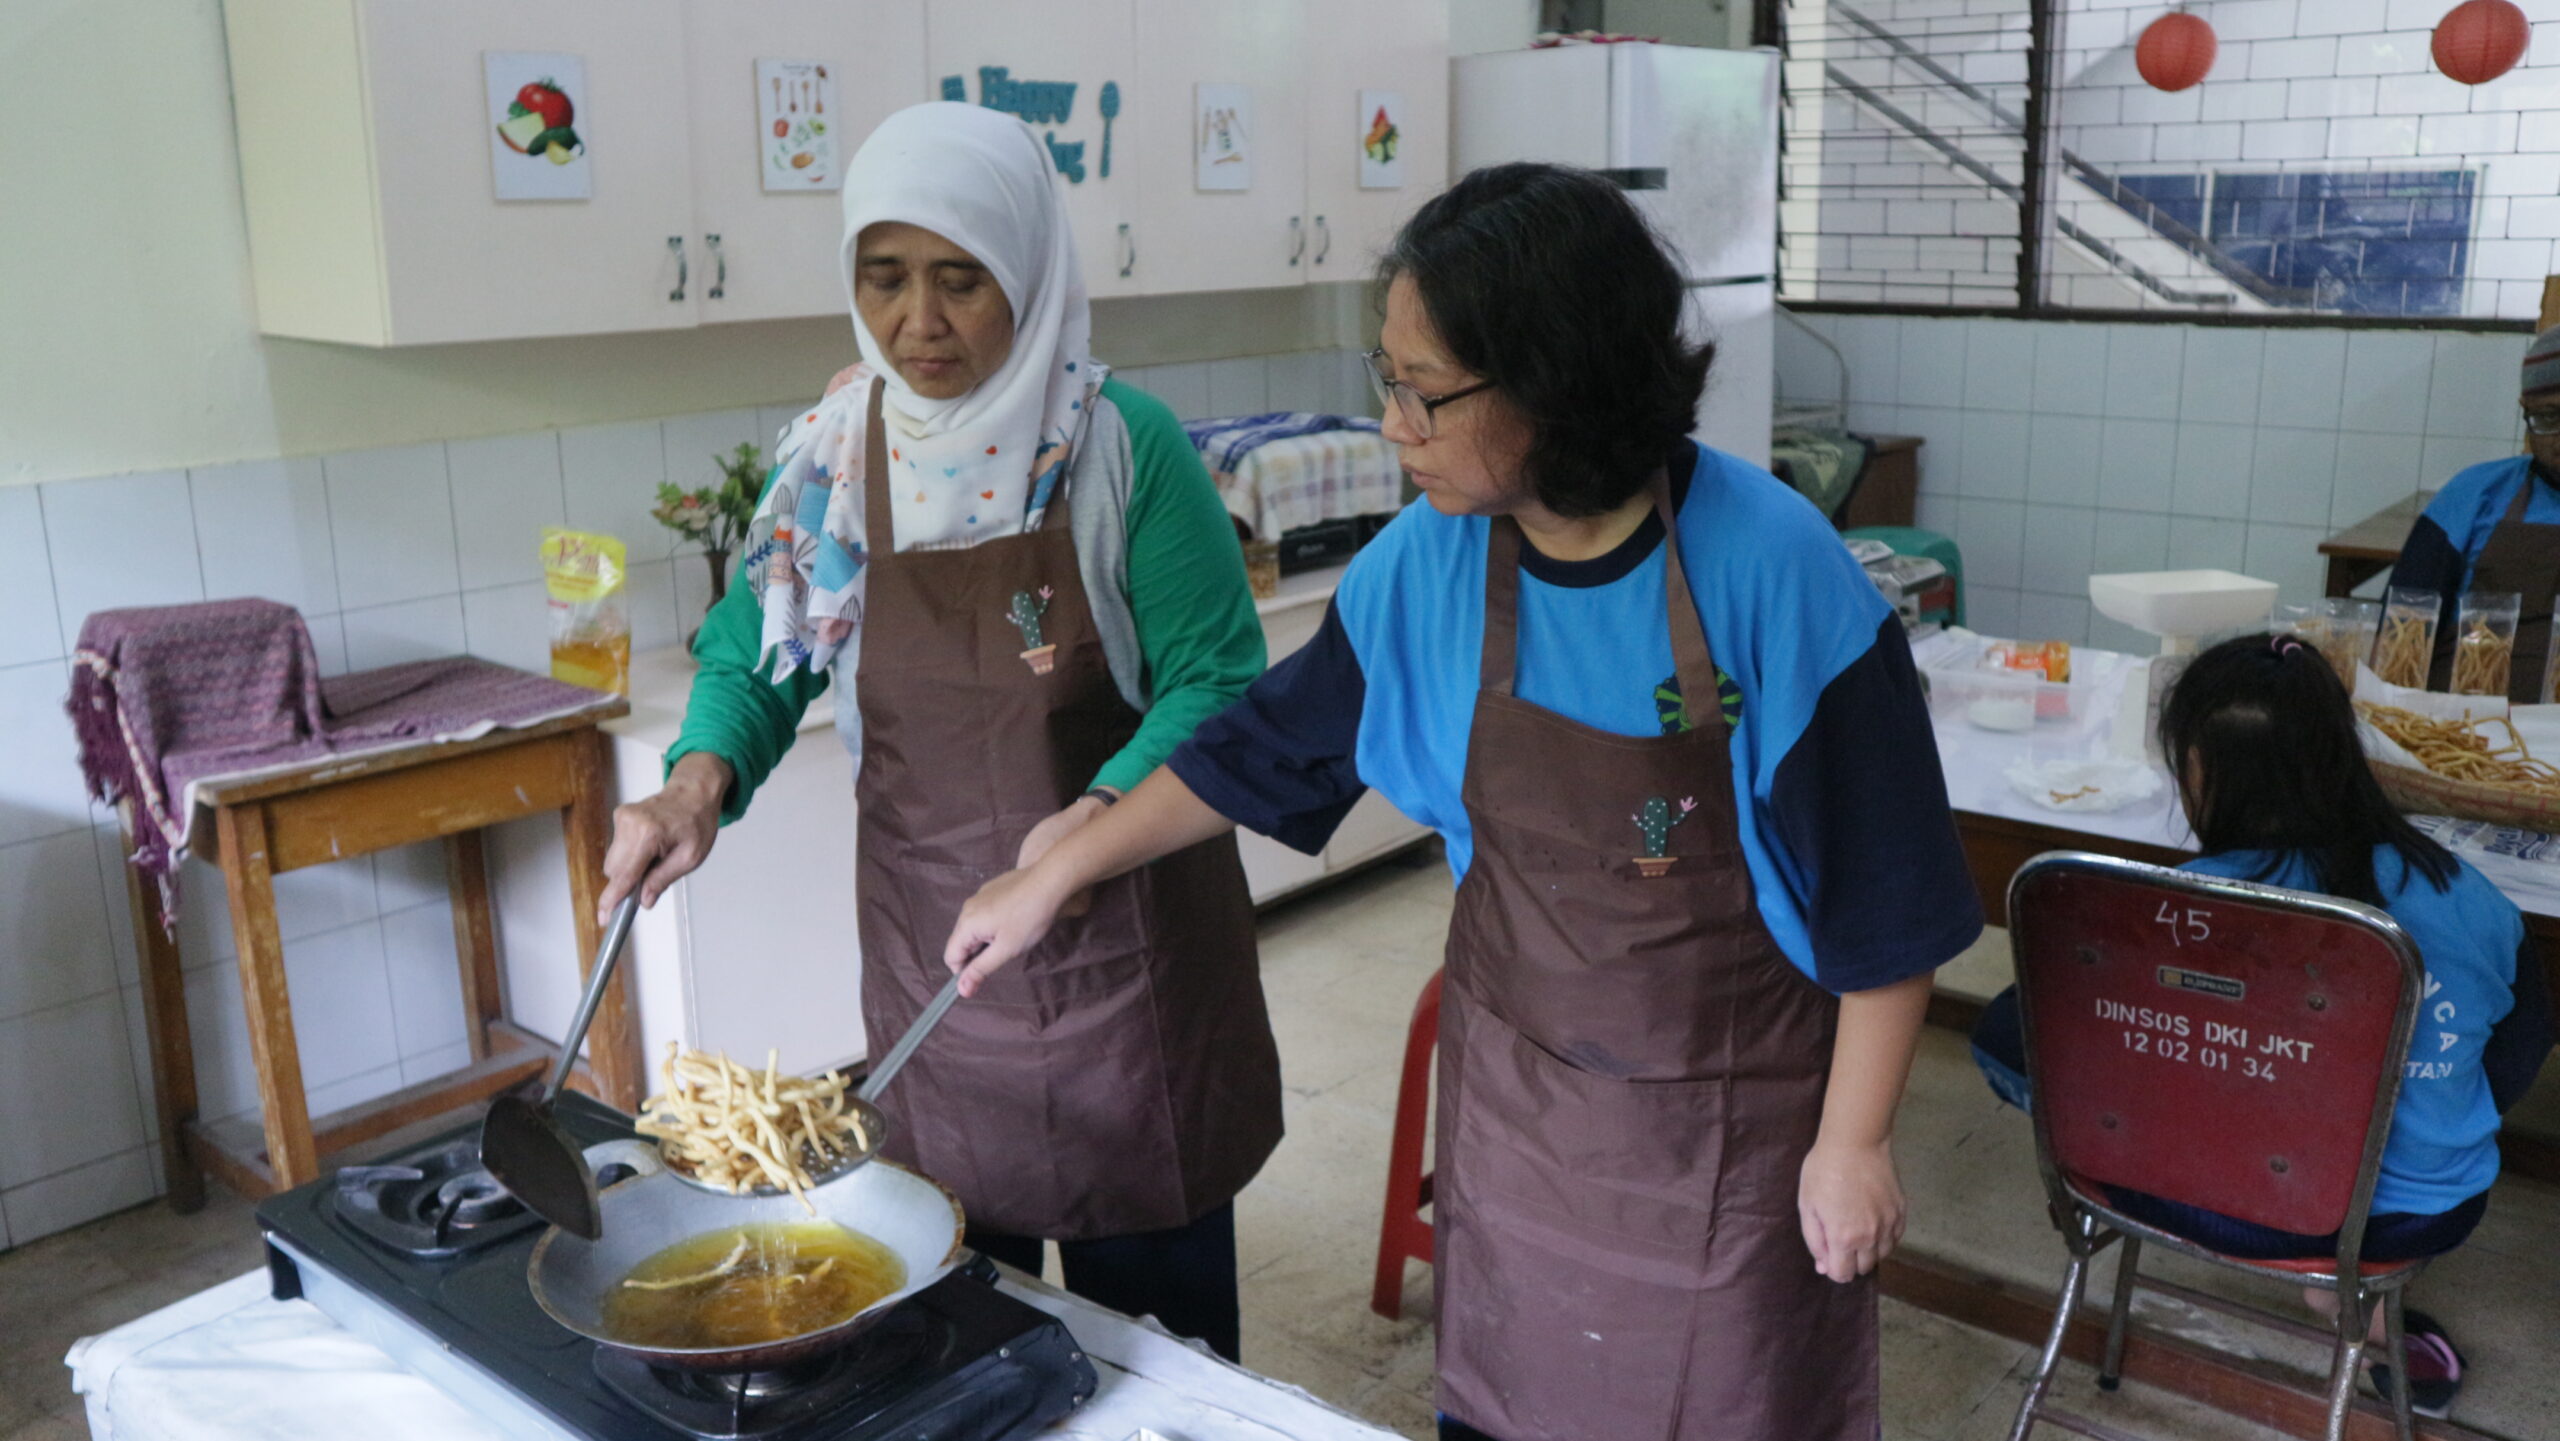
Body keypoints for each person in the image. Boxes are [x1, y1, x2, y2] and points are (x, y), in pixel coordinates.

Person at [944, 163, 1985, 1441]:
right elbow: (1258, 751)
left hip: (1731, 1132)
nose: (1392, 424)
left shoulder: (1779, 574)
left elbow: (1889, 908)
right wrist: (1064, 864)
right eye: (1388, 382)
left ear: (1551, 382)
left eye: (1422, 392)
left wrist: (1855, 1142)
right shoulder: (1423, 565)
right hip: (1524, 1118)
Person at [596, 102, 1282, 1362]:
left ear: (1026, 268)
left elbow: (1221, 685)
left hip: (1129, 970)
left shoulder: (1122, 454)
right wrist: (697, 784)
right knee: (963, 1324)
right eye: (886, 276)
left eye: (961, 280)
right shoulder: (833, 457)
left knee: (1162, 1349)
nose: (920, 320)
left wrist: (1082, 821)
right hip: (937, 972)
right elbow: (759, 654)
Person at [1971, 633, 2554, 1419]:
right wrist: (2434, 1113)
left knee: (2021, 1032)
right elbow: (2524, 1043)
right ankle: (2358, 1304)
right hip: (2409, 1215)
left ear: (2200, 772)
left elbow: (2030, 1036)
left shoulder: (2166, 909)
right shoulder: (2467, 894)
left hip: (2179, 1194)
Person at [2388, 325, 2560, 699]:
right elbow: (2402, 629)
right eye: (2549, 419)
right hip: (2462, 730)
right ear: (2524, 413)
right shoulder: (2474, 494)